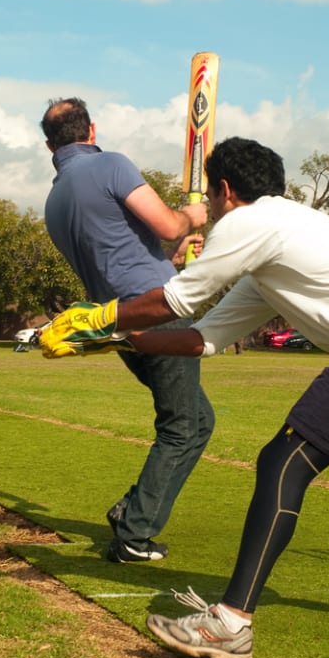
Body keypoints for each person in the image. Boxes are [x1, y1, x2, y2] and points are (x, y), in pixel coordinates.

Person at [40, 137, 329, 658]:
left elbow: (178, 300)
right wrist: (110, 340)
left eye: (210, 194)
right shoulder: (277, 241)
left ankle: (230, 623)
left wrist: (102, 315)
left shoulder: (252, 224)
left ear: (225, 190)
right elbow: (204, 337)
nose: (209, 208)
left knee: (283, 460)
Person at [40, 96, 214, 564]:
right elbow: (165, 221)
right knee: (181, 427)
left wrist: (169, 259)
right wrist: (190, 218)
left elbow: (113, 255)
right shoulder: (112, 165)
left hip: (118, 322)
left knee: (198, 421)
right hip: (160, 310)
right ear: (92, 131)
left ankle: (132, 512)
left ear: (49, 145)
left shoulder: (54, 200)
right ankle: (135, 533)